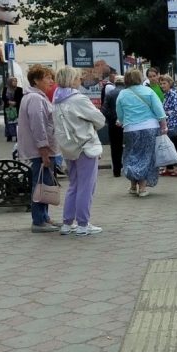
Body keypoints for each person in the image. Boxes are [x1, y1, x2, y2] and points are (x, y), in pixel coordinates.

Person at [52, 66, 106, 236]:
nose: (80, 80)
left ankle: (67, 223)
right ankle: (83, 224)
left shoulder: (56, 100)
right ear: (71, 80)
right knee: (86, 186)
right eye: (77, 78)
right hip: (84, 145)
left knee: (74, 185)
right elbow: (99, 119)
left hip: (68, 147)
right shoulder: (78, 98)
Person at [17, 64, 60, 233]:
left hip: (44, 150)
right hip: (41, 151)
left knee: (45, 184)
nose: (51, 81)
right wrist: (44, 151)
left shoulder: (37, 97)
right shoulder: (35, 99)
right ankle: (38, 221)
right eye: (48, 78)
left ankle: (44, 218)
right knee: (40, 185)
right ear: (36, 80)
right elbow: (39, 126)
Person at [116, 68, 168, 197]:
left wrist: (122, 121)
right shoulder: (148, 91)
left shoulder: (122, 94)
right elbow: (159, 110)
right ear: (140, 78)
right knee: (147, 156)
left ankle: (133, 186)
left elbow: (120, 113)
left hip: (130, 129)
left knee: (131, 155)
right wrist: (164, 126)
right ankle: (142, 189)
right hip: (150, 127)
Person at [159, 74, 177, 177]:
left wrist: (166, 112)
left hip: (175, 124)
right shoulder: (166, 95)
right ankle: (169, 167)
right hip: (169, 124)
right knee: (169, 146)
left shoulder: (173, 94)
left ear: (170, 83)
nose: (162, 85)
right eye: (161, 83)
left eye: (164, 83)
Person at [102, 75, 126, 177]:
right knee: (129, 146)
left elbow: (105, 110)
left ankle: (116, 171)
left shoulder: (110, 94)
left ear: (115, 83)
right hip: (127, 124)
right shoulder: (127, 93)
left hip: (113, 125)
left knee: (115, 147)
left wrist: (114, 118)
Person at [1, 77, 23, 142]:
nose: (15, 82)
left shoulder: (19, 89)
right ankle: (9, 136)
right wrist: (9, 102)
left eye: (16, 81)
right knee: (8, 122)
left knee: (16, 122)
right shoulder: (5, 89)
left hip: (16, 108)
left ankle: (17, 136)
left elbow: (21, 98)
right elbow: (3, 97)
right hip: (8, 108)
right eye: (13, 81)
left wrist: (15, 102)